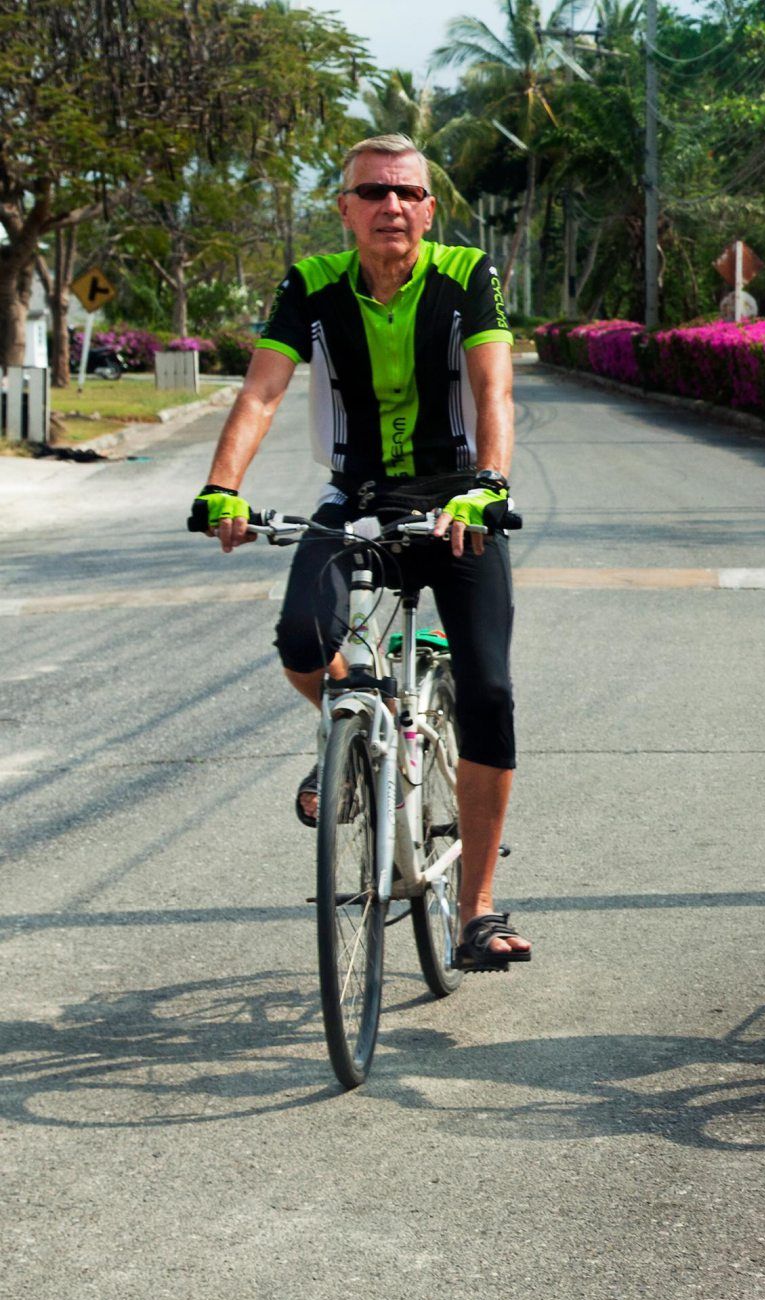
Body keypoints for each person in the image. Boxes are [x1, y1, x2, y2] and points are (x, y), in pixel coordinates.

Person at [188, 133, 531, 971]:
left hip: (457, 501)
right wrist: (222, 486)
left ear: (429, 209)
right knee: (303, 639)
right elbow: (261, 392)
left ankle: (476, 910)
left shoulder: (467, 274)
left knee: (488, 689)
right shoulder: (310, 286)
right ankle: (360, 712)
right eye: (373, 192)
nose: (392, 206)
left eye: (408, 192)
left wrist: (488, 484)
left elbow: (494, 388)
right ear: (345, 209)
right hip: (359, 498)